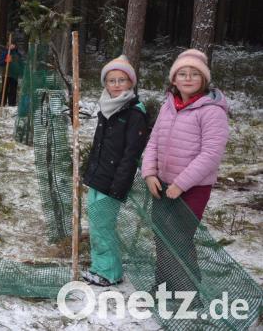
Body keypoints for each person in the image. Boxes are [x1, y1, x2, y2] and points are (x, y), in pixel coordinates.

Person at [141, 48, 229, 295]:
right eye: (182, 73)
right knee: (161, 237)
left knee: (179, 238)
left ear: (204, 79)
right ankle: (163, 286)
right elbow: (154, 141)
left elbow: (211, 154)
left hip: (193, 188)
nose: (188, 78)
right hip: (161, 185)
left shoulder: (212, 111)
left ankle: (187, 292)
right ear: (174, 79)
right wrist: (149, 173)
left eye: (195, 74)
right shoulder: (168, 106)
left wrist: (181, 184)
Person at [81, 55, 149, 287]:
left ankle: (109, 272)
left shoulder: (135, 113)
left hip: (114, 181)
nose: (117, 84)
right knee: (95, 223)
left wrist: (119, 185)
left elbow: (131, 155)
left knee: (103, 225)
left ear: (131, 83)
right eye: (112, 80)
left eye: (122, 80)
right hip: (98, 176)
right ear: (106, 84)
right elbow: (98, 144)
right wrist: (90, 172)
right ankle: (100, 266)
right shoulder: (106, 108)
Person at [0, 41, 24, 106]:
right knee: (4, 88)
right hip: (6, 74)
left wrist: (22, 72)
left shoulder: (18, 54)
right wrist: (5, 61)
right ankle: (2, 103)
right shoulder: (5, 53)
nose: (11, 46)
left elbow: (21, 64)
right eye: (10, 45)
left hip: (14, 75)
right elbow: (0, 63)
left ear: (15, 45)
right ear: (8, 46)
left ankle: (12, 104)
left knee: (13, 90)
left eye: (13, 44)